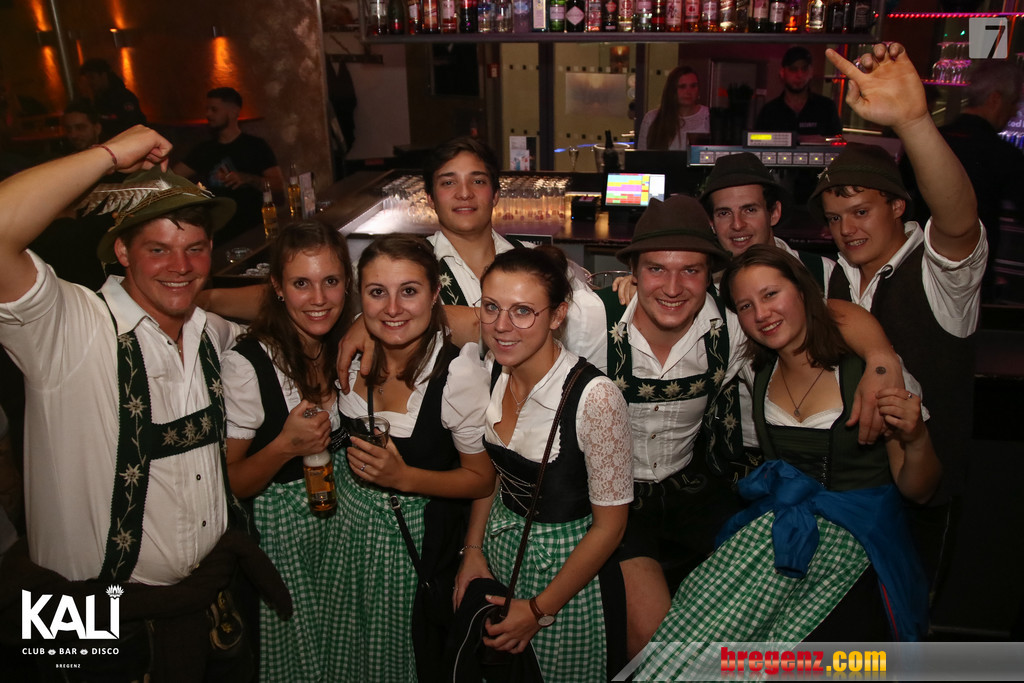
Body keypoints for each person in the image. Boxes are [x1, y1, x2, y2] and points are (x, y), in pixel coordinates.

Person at [0, 126, 288, 680]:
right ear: (122, 251)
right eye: (158, 249)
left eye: (194, 248)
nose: (180, 265)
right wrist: (108, 155)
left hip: (205, 601)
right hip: (80, 616)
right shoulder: (68, 327)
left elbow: (285, 304)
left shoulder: (209, 332)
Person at [596, 196, 903, 657]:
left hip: (692, 493)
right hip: (614, 501)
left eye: (691, 270)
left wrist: (881, 357)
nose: (674, 286)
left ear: (709, 275)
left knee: (744, 624)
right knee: (654, 639)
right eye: (656, 269)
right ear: (634, 272)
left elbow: (822, 312)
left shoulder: (735, 324)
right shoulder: (590, 318)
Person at [635, 246, 939, 678]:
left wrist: (916, 436)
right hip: (781, 529)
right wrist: (629, 288)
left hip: (860, 541)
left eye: (771, 294)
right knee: (690, 644)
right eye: (745, 305)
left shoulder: (871, 375)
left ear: (802, 291)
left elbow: (919, 490)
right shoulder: (754, 370)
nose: (761, 314)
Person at [812, 43, 988, 584]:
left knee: (907, 626)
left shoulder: (938, 275)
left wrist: (913, 122)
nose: (847, 229)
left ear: (896, 205)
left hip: (921, 500)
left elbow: (958, 221)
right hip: (848, 500)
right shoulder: (834, 275)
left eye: (861, 211)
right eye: (834, 218)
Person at [454, 247, 633, 682]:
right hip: (499, 557)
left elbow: (610, 528)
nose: (501, 326)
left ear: (557, 315)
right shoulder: (492, 369)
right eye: (491, 307)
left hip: (565, 579)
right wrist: (472, 553)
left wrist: (538, 610)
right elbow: (493, 477)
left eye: (522, 311)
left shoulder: (595, 398)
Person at [333, 234, 494, 682]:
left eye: (409, 291)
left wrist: (404, 478)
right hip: (347, 545)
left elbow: (481, 479)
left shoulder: (458, 375)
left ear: (435, 294)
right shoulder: (349, 357)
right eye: (376, 292)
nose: (392, 308)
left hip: (418, 550)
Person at [220, 221, 356, 680]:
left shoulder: (348, 346)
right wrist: (284, 447)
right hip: (284, 545)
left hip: (347, 534)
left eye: (330, 281)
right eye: (301, 283)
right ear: (277, 287)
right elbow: (234, 482)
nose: (318, 298)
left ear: (347, 283)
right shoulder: (248, 365)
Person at [425, 137, 605, 366]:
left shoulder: (535, 257)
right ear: (430, 198)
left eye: (478, 181)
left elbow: (591, 312)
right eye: (448, 183)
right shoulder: (412, 267)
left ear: (495, 195)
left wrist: (628, 289)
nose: (464, 193)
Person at [903, 59, 1024, 302]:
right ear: (995, 99)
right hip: (970, 281)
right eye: (1013, 103)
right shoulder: (1003, 154)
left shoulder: (929, 140)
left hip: (916, 269)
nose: (1014, 112)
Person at [700, 151, 835, 290]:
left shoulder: (823, 273)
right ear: (711, 223)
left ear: (774, 213)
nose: (737, 224)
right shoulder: (702, 287)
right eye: (724, 213)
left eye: (750, 210)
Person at [173, 87, 285, 245]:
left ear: (233, 112)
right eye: (207, 109)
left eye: (214, 110)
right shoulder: (204, 150)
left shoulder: (256, 146)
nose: (208, 114)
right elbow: (172, 177)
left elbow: (278, 185)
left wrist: (248, 178)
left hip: (253, 230)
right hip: (217, 234)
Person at [755, 46, 842, 140]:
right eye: (793, 69)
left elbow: (836, 141)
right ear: (782, 72)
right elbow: (759, 142)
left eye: (804, 69)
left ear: (811, 72)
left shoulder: (826, 108)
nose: (799, 75)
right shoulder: (769, 112)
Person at [637, 66, 711, 151]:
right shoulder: (652, 118)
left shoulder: (709, 116)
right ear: (672, 90)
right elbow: (642, 155)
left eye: (693, 86)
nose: (688, 92)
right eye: (682, 87)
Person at [78, 58, 146, 139]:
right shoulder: (98, 98)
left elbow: (133, 125)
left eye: (92, 77)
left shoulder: (123, 97)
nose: (90, 82)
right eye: (87, 79)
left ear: (103, 75)